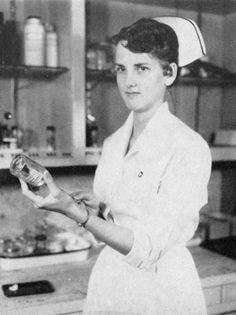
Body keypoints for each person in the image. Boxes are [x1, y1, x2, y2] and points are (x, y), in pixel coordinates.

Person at [20, 16, 212, 315]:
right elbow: (113, 228)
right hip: (111, 286)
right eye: (121, 69)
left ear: (170, 73)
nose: (129, 81)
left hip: (163, 294)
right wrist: (96, 211)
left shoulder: (189, 147)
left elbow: (148, 251)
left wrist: (75, 212)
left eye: (142, 68)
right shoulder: (112, 145)